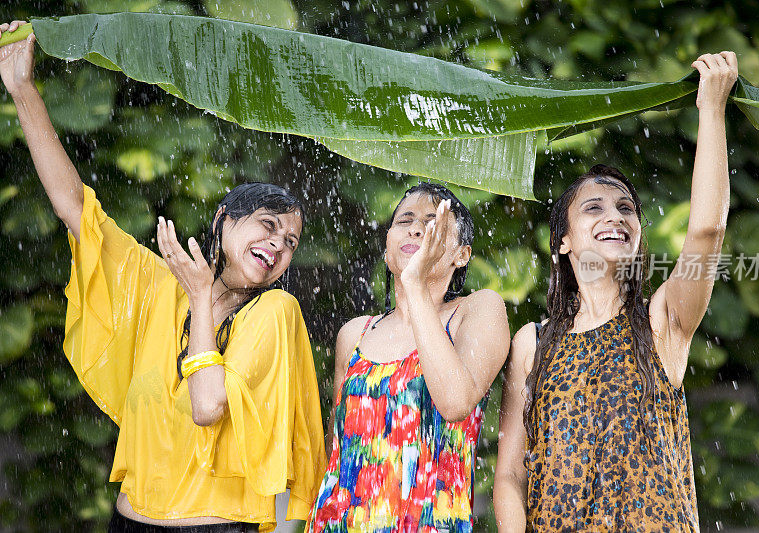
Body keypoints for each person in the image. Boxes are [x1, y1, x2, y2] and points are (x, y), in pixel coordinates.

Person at [0, 20, 326, 532]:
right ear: (223, 222)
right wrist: (23, 91)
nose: (278, 245)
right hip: (129, 521)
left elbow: (208, 405)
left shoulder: (275, 314)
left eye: (290, 242)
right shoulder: (157, 289)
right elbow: (74, 209)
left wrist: (200, 298)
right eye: (267, 226)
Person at [493, 51, 738, 531]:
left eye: (626, 208)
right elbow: (509, 476)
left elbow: (707, 231)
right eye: (593, 208)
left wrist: (711, 109)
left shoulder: (663, 320)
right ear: (563, 243)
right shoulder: (533, 342)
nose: (615, 216)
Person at [307, 182, 510, 531]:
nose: (416, 228)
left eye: (433, 222)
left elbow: (455, 401)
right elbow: (336, 453)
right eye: (405, 220)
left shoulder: (478, 310)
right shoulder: (355, 334)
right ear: (387, 249)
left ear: (462, 254)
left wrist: (415, 283)